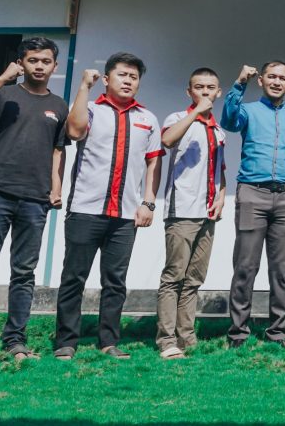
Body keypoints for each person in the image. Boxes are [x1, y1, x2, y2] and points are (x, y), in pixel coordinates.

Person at [0, 37, 68, 360]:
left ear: (54, 66)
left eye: (45, 61)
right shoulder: (6, 94)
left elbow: (57, 152)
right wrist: (2, 79)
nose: (39, 66)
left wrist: (56, 187)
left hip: (35, 198)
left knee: (24, 272)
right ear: (22, 63)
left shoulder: (59, 106)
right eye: (33, 60)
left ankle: (15, 338)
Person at [54, 52, 163, 360]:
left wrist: (148, 203)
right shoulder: (89, 109)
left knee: (115, 282)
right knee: (73, 277)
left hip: (125, 215)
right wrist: (83, 87)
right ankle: (66, 341)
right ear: (106, 79)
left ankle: (108, 341)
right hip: (85, 209)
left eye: (133, 77)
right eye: (122, 75)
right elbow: (74, 132)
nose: (128, 81)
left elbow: (153, 164)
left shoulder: (148, 119)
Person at [221, 61, 285, 348]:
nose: (276, 82)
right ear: (261, 81)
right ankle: (238, 333)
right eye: (271, 77)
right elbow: (228, 122)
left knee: (282, 270)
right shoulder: (248, 111)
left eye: (282, 78)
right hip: (253, 193)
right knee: (245, 267)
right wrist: (240, 83)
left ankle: (277, 332)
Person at [155, 67, 227, 360]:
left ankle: (187, 337)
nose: (205, 92)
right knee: (174, 276)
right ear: (189, 91)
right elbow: (167, 140)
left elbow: (221, 168)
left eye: (210, 87)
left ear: (219, 92)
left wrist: (221, 196)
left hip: (208, 212)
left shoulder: (218, 129)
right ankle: (166, 339)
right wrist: (196, 111)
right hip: (182, 209)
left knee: (194, 279)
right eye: (199, 87)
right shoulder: (178, 118)